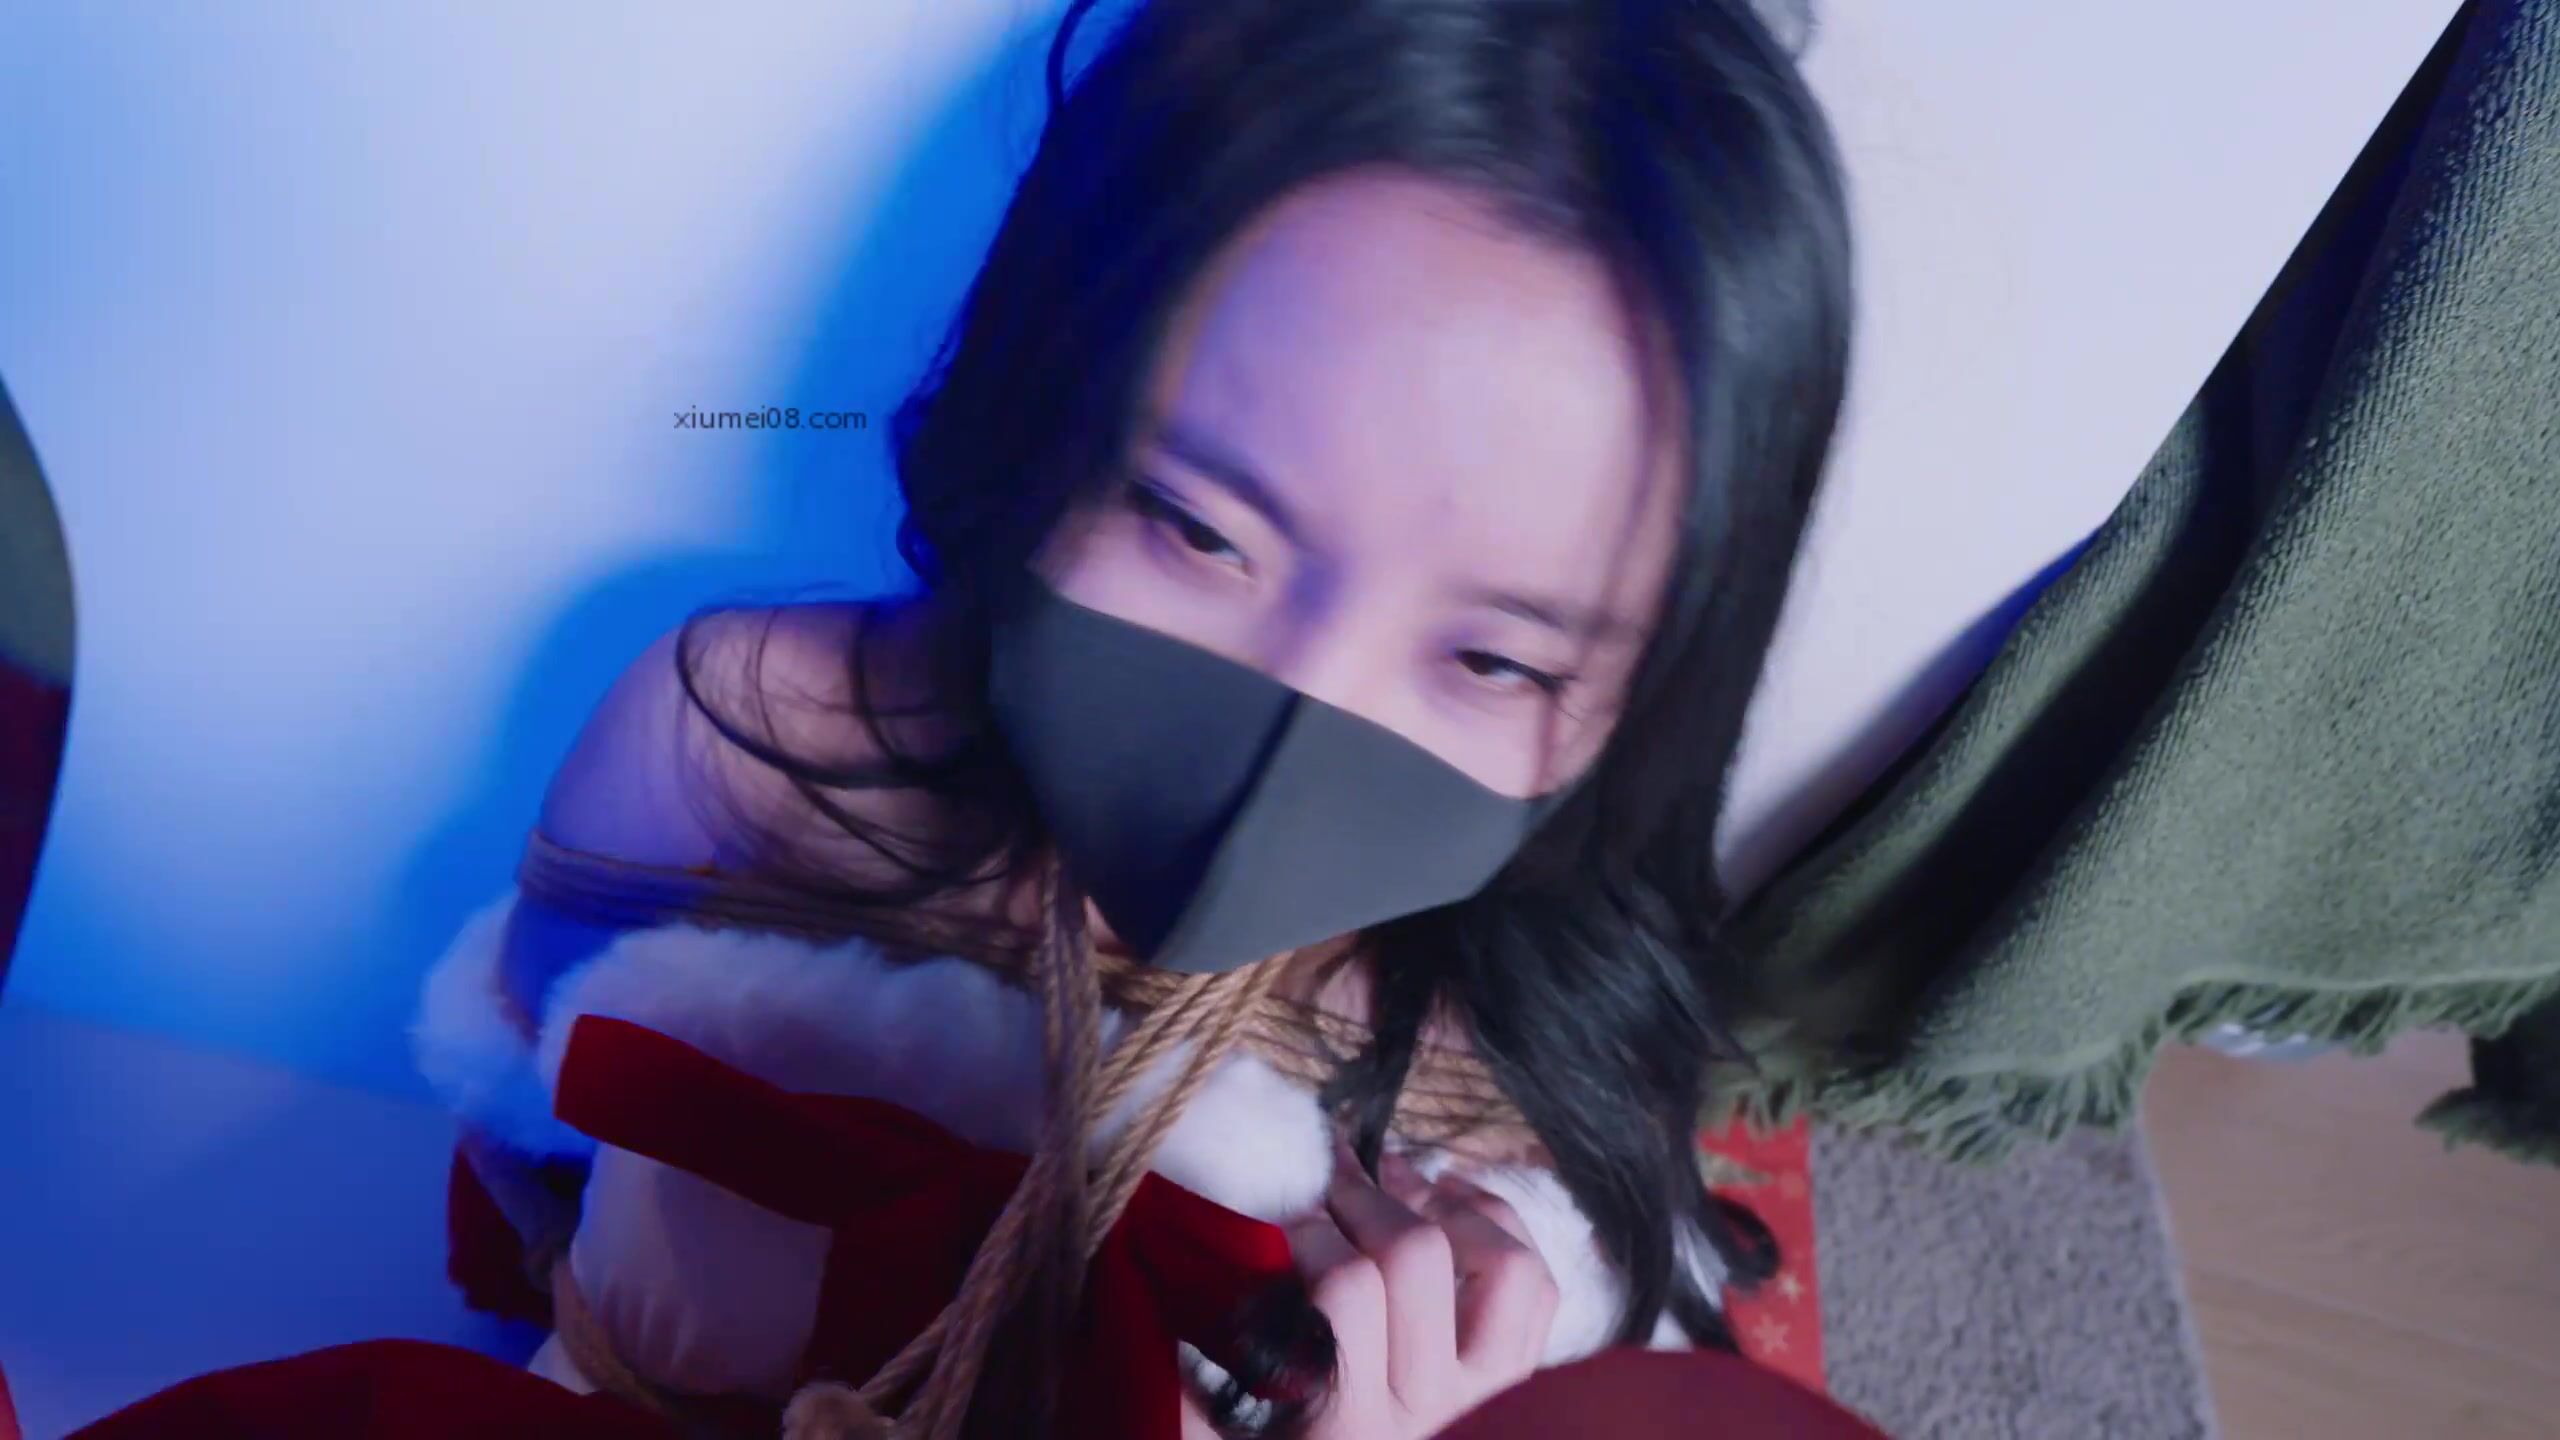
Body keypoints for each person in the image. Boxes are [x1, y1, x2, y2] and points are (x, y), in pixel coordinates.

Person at [74, 1, 1872, 1436]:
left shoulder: (1534, 1104)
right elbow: (528, 1150)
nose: (1296, 729)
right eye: (1196, 525)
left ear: (1650, 691)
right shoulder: (746, 754)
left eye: (1493, 660)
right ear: (1050, 404)